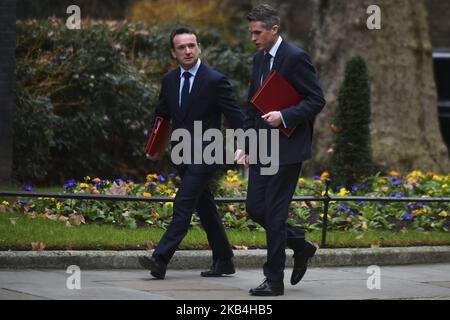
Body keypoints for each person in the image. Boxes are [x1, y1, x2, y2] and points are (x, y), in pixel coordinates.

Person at [138, 27, 244, 279]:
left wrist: (245, 145)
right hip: (182, 154)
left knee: (183, 204)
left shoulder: (215, 80)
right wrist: (154, 145)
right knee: (205, 208)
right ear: (174, 53)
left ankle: (160, 259)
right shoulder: (169, 80)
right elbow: (162, 115)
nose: (188, 50)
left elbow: (237, 117)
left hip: (208, 154)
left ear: (199, 48)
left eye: (192, 45)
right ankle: (225, 260)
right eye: (182, 47)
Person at [239, 4, 326, 296]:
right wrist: (247, 145)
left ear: (274, 29)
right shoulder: (259, 59)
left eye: (258, 32)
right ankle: (300, 245)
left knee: (274, 215)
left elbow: (316, 100)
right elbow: (253, 105)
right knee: (255, 208)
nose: (253, 37)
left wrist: (284, 116)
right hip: (263, 148)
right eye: (251, 32)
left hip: (287, 150)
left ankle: (273, 281)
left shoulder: (296, 57)